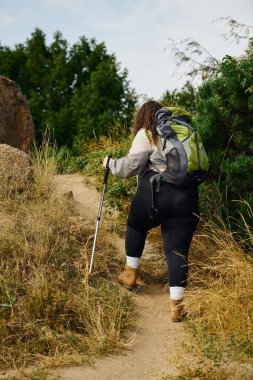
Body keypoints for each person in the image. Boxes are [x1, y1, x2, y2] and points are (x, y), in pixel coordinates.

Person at [103, 100, 199, 322]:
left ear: (143, 117)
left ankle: (130, 275)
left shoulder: (147, 133)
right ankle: (177, 306)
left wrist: (110, 163)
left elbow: (130, 167)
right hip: (188, 195)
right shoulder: (183, 134)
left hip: (157, 192)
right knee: (177, 251)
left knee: (136, 225)